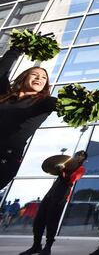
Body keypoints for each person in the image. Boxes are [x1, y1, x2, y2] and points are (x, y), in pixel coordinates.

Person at [0, 47, 56, 190]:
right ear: (24, 77)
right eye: (35, 74)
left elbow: (62, 105)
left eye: (44, 78)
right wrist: (15, 50)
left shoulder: (44, 102)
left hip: (5, 158)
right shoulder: (6, 95)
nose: (40, 78)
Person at [20, 150, 87, 255]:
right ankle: (36, 246)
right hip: (50, 195)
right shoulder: (65, 166)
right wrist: (60, 169)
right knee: (38, 221)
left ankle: (48, 247)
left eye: (82, 156)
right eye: (78, 155)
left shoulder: (81, 169)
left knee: (52, 222)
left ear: (84, 159)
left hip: (61, 197)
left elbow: (68, 181)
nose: (79, 157)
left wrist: (61, 171)